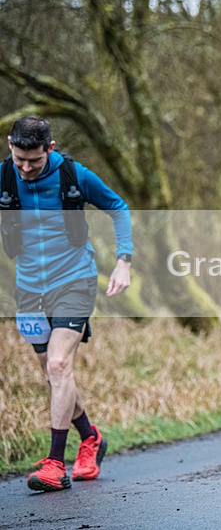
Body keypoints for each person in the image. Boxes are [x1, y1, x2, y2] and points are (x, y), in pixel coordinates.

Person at [2, 116, 133, 492]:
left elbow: (118, 206)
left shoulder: (73, 175)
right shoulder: (4, 177)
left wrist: (123, 260)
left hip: (74, 281)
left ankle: (56, 464)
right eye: (18, 159)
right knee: (52, 374)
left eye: (34, 162)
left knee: (60, 365)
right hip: (28, 289)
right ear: (10, 146)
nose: (25, 169)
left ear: (50, 149)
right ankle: (91, 437)